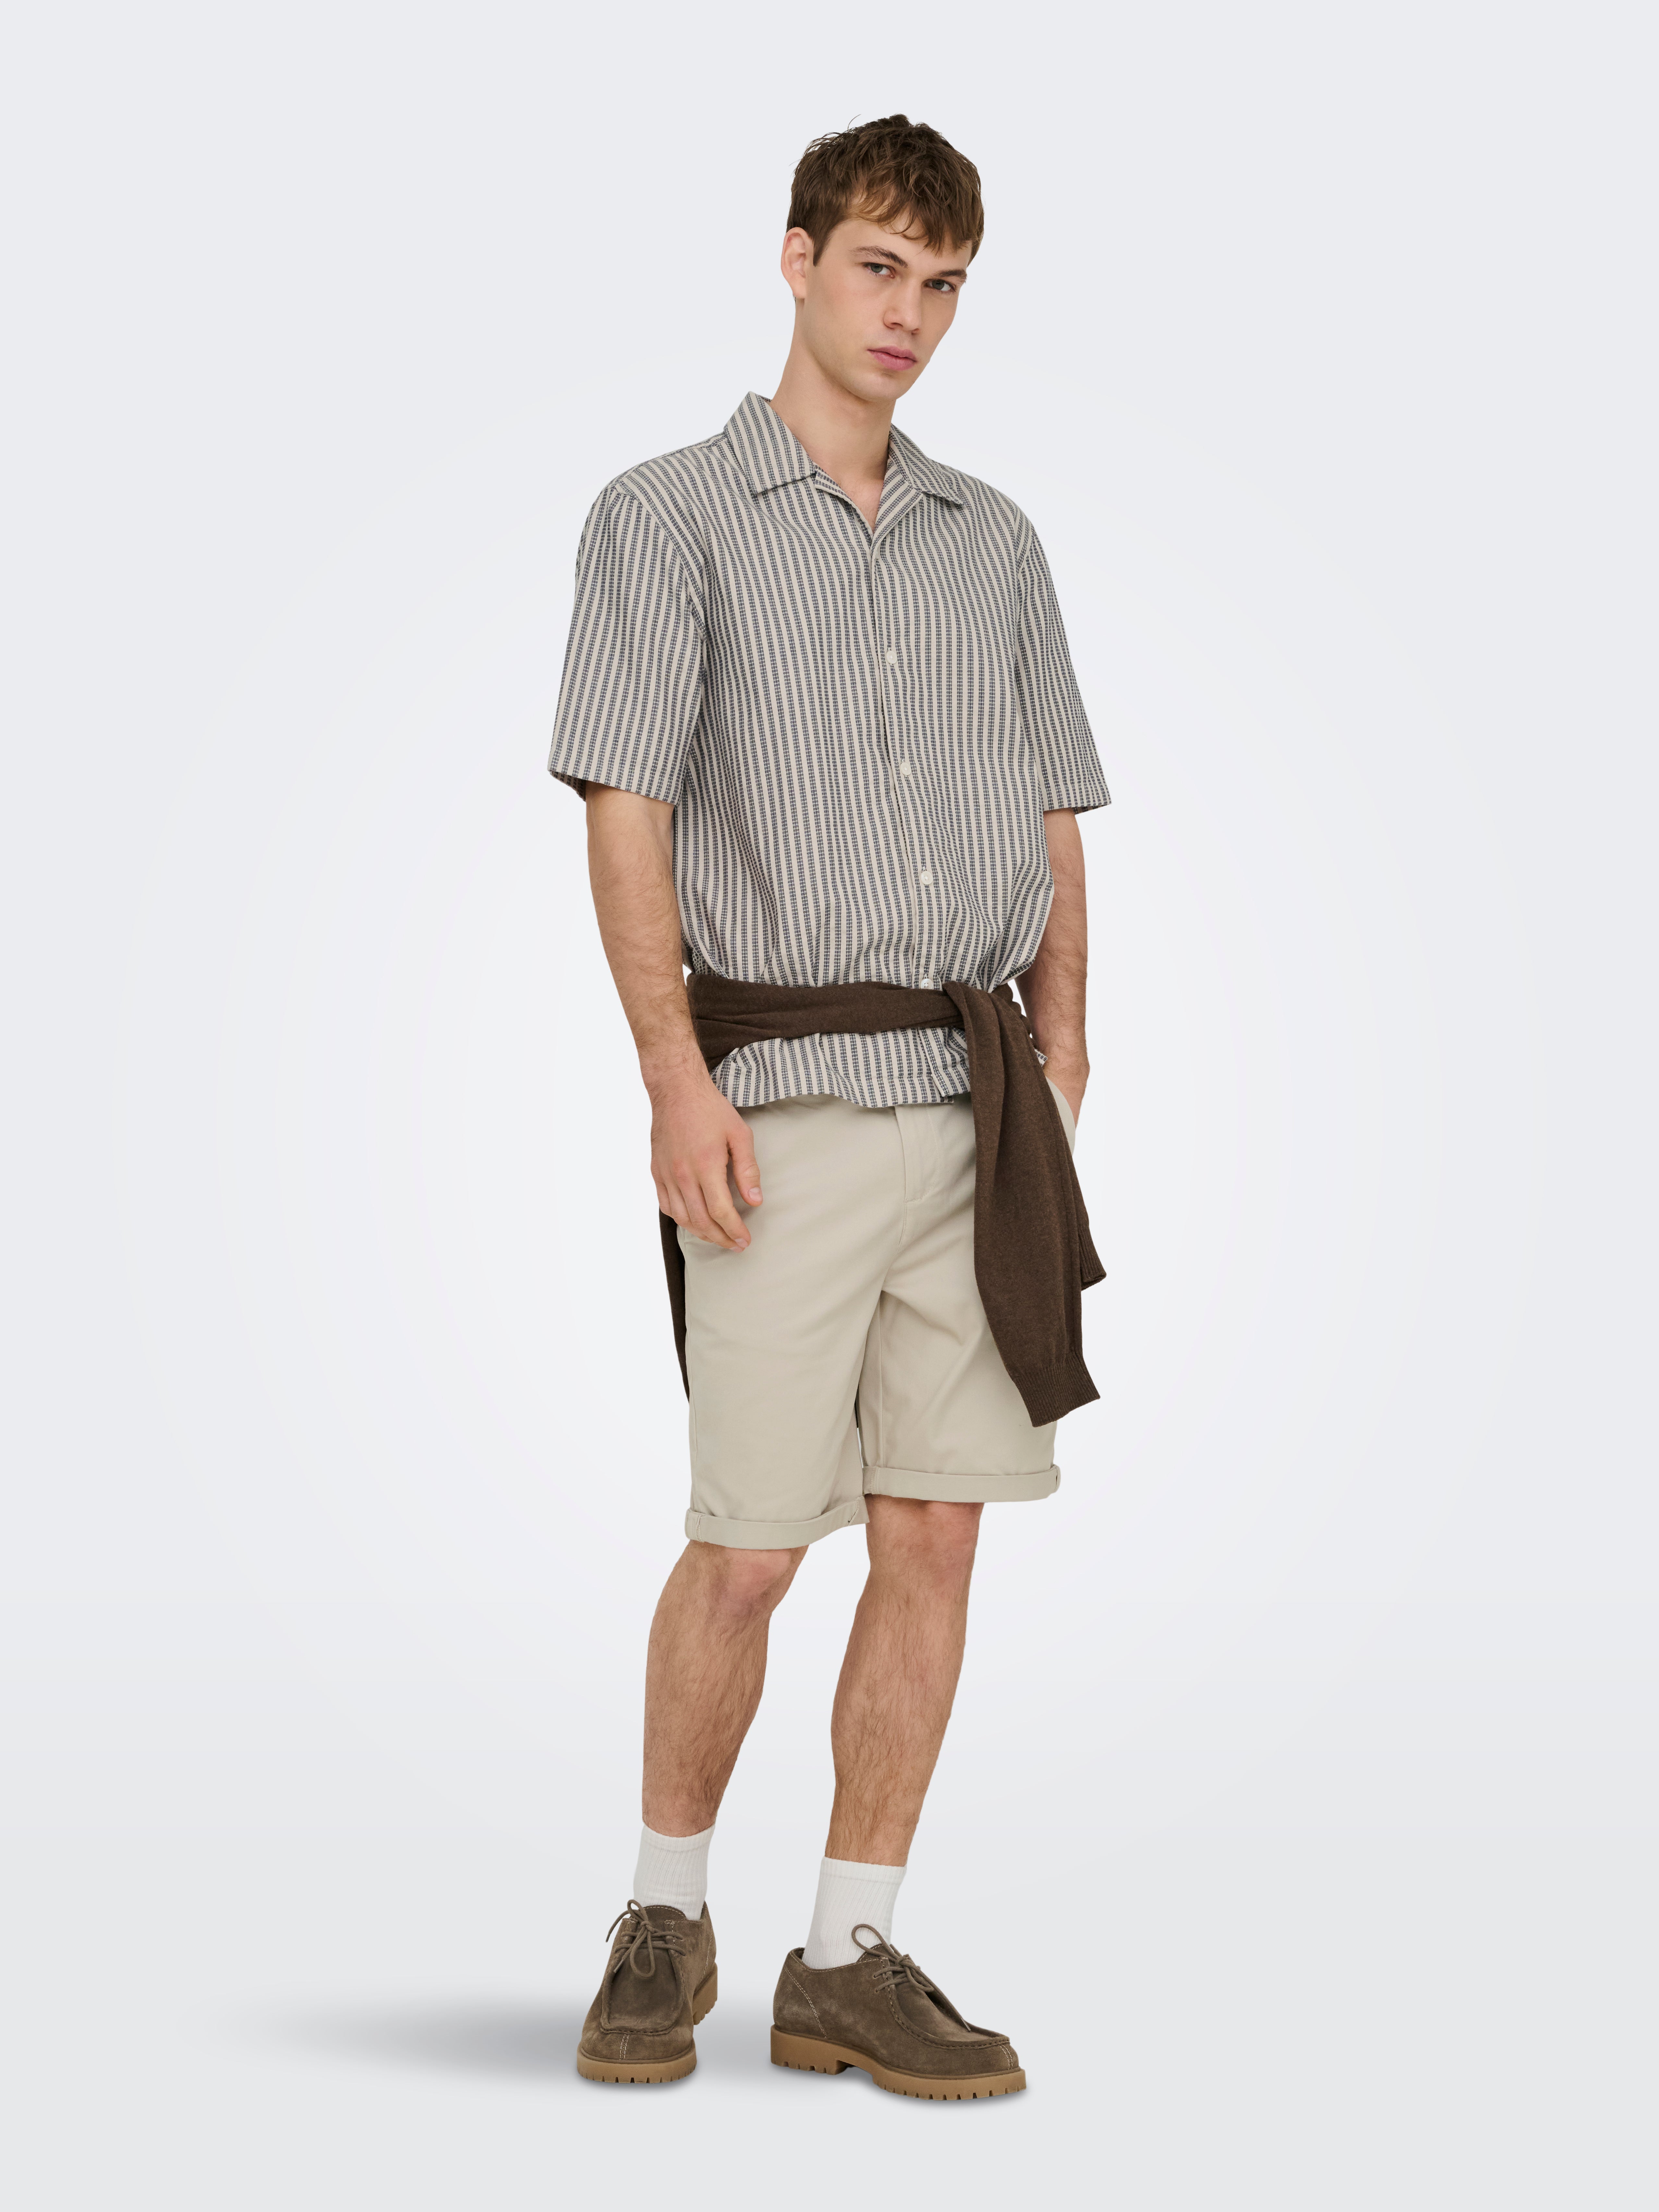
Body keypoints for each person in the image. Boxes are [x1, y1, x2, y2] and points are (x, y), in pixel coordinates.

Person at [548, 114, 1110, 2099]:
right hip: (775, 1099)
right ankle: (661, 1912)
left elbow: (1053, 809)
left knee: (936, 1534)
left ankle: (848, 1953)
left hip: (973, 1108)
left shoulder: (994, 540)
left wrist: (1063, 1051)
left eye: (944, 284)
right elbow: (629, 808)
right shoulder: (666, 518)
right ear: (798, 259)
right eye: (881, 268)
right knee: (749, 1542)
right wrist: (671, 1076)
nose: (911, 316)